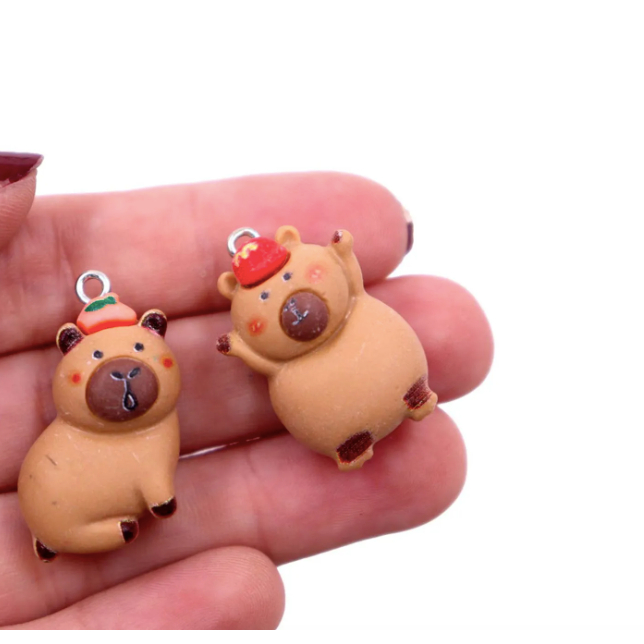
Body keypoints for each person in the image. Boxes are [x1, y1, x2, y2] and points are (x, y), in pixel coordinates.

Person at [0, 152, 493, 630]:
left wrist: (342, 256)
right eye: (266, 297)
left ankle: (413, 395)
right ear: (68, 352)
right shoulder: (147, 429)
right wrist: (240, 350)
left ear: (156, 334)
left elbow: (346, 288)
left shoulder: (347, 303)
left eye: (136, 350)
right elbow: (267, 359)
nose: (291, 306)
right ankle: (70, 530)